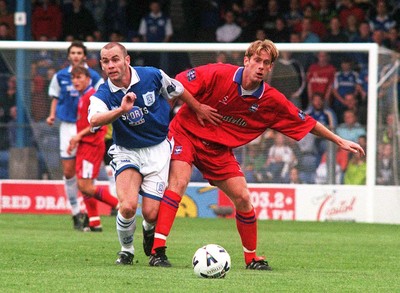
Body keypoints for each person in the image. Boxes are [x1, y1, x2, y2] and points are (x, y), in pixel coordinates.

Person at [150, 39, 365, 271]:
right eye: (257, 60)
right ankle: (157, 251)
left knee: (243, 197)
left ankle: (251, 259)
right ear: (246, 60)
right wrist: (197, 107)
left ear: (271, 67)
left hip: (218, 149)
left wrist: (338, 140)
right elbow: (175, 85)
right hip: (186, 133)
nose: (261, 66)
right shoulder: (218, 73)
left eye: (266, 63)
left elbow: (306, 121)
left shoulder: (271, 100)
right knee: (179, 181)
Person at [87, 42, 220, 265]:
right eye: (105, 61)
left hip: (157, 150)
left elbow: (177, 89)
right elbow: (93, 120)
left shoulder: (152, 76)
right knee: (127, 206)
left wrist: (199, 108)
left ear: (127, 60)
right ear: (101, 64)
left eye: (115, 59)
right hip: (126, 151)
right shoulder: (103, 92)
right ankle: (126, 250)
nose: (111, 65)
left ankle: (149, 231)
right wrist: (121, 110)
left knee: (151, 213)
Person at [46, 41, 104, 231]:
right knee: (70, 172)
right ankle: (75, 212)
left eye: (79, 52)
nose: (76, 55)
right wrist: (52, 114)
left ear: (84, 56)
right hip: (68, 125)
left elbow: (103, 96)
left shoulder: (93, 76)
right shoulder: (61, 76)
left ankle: (91, 215)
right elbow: (55, 97)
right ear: (69, 55)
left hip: (87, 126)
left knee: (86, 173)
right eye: (73, 52)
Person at [67, 65, 118, 232]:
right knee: (83, 184)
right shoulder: (82, 97)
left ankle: (120, 206)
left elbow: (97, 124)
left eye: (79, 77)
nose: (76, 81)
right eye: (74, 78)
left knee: (86, 185)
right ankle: (95, 221)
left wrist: (77, 136)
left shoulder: (91, 97)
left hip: (92, 145)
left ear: (88, 79)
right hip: (85, 145)